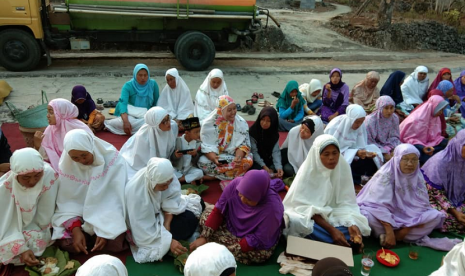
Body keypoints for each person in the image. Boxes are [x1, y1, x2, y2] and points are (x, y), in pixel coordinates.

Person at [283, 134, 370, 251]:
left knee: (358, 225)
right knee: (295, 222)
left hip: (334, 214)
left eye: (335, 153)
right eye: (326, 154)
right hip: (311, 217)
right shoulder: (308, 171)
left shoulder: (342, 167)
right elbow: (303, 207)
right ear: (317, 155)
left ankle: (338, 239)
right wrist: (332, 230)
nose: (331, 158)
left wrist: (351, 223)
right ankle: (340, 241)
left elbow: (347, 203)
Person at [52, 129, 128, 254]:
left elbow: (115, 199)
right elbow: (67, 202)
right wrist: (76, 230)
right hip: (80, 216)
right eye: (75, 157)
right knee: (68, 243)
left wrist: (104, 230)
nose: (82, 161)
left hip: (107, 213)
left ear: (91, 147)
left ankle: (96, 238)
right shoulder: (68, 166)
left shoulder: (113, 160)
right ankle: (87, 237)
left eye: (84, 155)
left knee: (115, 241)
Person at [357, 144, 445, 248]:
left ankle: (395, 236)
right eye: (405, 159)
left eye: (414, 160)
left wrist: (406, 229)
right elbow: (375, 205)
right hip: (385, 217)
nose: (410, 164)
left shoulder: (417, 176)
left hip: (409, 218)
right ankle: (390, 235)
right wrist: (389, 230)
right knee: (366, 215)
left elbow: (422, 206)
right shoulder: (386, 174)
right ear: (397, 159)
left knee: (435, 216)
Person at [190, 170, 284, 264]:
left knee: (260, 254)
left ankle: (219, 244)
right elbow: (218, 211)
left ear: (260, 197)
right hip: (232, 224)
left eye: (249, 199)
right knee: (206, 217)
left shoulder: (273, 208)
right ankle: (215, 241)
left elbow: (260, 238)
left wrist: (233, 248)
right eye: (241, 194)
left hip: (253, 237)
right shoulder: (235, 184)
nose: (242, 200)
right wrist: (204, 237)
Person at [125, 157, 202, 263]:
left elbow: (172, 198)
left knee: (194, 210)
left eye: (169, 183)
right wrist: (169, 241)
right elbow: (143, 230)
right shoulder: (136, 194)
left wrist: (167, 224)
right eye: (163, 185)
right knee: (185, 224)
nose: (167, 187)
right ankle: (170, 243)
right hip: (148, 227)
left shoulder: (167, 176)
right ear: (152, 182)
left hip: (162, 214)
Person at [0, 148, 58, 266]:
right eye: (26, 177)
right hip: (15, 230)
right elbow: (4, 223)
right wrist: (21, 248)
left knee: (37, 239)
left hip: (41, 227)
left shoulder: (48, 175)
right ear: (15, 175)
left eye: (37, 175)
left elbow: (46, 215)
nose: (32, 181)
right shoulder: (5, 187)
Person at [324, 104, 383, 184]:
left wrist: (363, 153)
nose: (359, 125)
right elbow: (330, 150)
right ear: (351, 119)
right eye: (357, 122)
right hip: (336, 156)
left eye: (361, 122)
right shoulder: (334, 127)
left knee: (371, 159)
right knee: (343, 166)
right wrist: (356, 153)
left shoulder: (360, 126)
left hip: (354, 155)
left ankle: (364, 178)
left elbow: (361, 145)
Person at [198, 95, 252, 180]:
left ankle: (214, 176)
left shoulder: (241, 122)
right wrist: (214, 158)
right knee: (202, 161)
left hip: (232, 156)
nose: (233, 112)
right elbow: (205, 146)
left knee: (248, 161)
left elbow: (243, 144)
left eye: (234, 108)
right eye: (229, 110)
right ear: (220, 111)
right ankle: (230, 175)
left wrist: (238, 158)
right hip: (217, 157)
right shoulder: (208, 124)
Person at [423, 130, 465, 234]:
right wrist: (455, 213)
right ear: (458, 145)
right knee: (443, 218)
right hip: (432, 199)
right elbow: (435, 193)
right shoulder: (441, 161)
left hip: (457, 199)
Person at [33, 98, 93, 171]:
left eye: (51, 112)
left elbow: (92, 150)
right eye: (47, 112)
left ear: (62, 113)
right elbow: (46, 156)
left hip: (81, 164)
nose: (47, 116)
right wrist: (38, 145)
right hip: (59, 165)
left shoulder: (79, 127)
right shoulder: (50, 130)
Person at [120, 106, 178, 180]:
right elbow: (142, 163)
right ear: (155, 124)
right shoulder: (143, 138)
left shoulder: (172, 127)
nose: (168, 123)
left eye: (168, 119)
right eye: (164, 122)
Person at [104, 64, 159, 135]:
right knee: (126, 122)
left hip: (146, 113)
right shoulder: (128, 86)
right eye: (140, 75)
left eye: (145, 75)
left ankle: (112, 127)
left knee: (151, 122)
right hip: (131, 113)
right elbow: (123, 104)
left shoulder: (153, 84)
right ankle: (108, 124)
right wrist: (126, 122)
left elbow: (156, 103)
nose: (143, 78)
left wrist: (153, 116)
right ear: (135, 75)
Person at [400, 95, 449, 165]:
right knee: (417, 152)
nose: (441, 112)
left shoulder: (435, 117)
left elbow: (436, 136)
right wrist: (423, 147)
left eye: (442, 110)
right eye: (440, 110)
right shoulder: (417, 119)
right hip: (415, 144)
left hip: (428, 143)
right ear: (434, 107)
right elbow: (408, 138)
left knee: (446, 144)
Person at [249, 107, 283, 178]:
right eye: (263, 119)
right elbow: (254, 152)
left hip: (268, 158)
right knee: (253, 169)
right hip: (256, 160)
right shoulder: (253, 132)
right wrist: (264, 166)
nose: (264, 123)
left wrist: (279, 167)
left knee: (284, 153)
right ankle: (268, 172)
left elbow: (275, 152)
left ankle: (271, 172)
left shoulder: (274, 134)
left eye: (268, 121)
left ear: (273, 122)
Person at [365, 96, 400, 162]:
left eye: (391, 108)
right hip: (375, 146)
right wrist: (384, 152)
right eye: (386, 108)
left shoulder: (394, 118)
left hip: (390, 145)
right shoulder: (370, 121)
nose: (389, 111)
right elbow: (369, 141)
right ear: (380, 108)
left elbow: (395, 136)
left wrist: (393, 149)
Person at [171, 117, 204, 184]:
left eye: (199, 131)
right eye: (196, 132)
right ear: (187, 133)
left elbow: (196, 162)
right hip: (177, 169)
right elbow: (171, 159)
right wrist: (176, 155)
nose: (198, 134)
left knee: (199, 173)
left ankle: (179, 180)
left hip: (189, 169)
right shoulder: (177, 141)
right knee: (169, 171)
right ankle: (187, 179)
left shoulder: (198, 144)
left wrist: (195, 155)